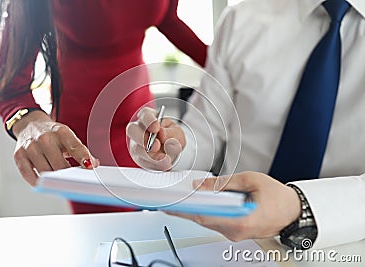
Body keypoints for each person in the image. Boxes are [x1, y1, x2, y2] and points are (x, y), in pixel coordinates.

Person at [127, 0, 365, 249]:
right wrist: (174, 147)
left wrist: (300, 207)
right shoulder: (240, 19)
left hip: (346, 246)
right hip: (228, 240)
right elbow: (205, 132)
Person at [0, 0, 207, 214]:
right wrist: (31, 123)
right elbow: (10, 88)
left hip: (142, 127)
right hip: (84, 140)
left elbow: (168, 19)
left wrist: (227, 67)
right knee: (108, 234)